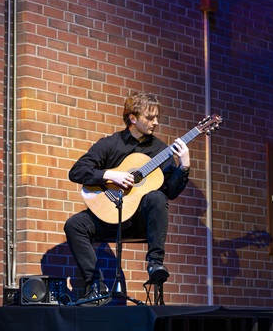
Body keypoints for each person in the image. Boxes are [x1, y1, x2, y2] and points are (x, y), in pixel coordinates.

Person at [64, 91, 191, 305]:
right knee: (74, 224)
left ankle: (155, 263)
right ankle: (95, 286)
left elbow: (171, 191)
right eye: (149, 117)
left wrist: (184, 167)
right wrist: (109, 175)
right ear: (133, 118)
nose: (156, 122)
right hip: (110, 218)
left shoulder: (161, 150)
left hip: (139, 222)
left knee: (157, 197)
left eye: (157, 117)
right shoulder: (110, 144)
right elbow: (76, 172)